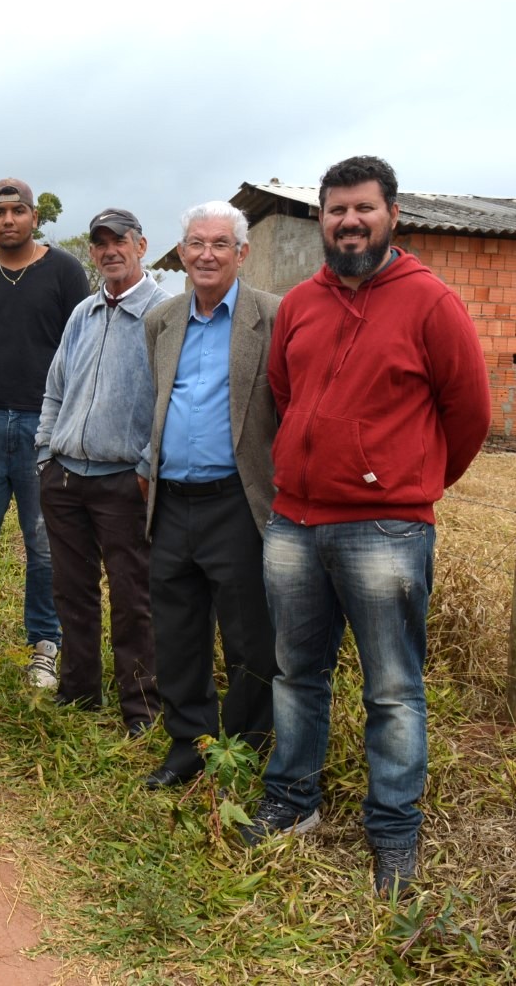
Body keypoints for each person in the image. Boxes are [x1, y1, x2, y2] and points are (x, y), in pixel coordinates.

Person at [241, 156, 490, 896]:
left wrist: (407, 487)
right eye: (335, 211)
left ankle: (392, 833)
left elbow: (468, 415)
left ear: (391, 216)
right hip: (293, 523)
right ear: (320, 219)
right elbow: (285, 394)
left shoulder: (429, 304)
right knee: (296, 675)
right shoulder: (300, 304)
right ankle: (292, 803)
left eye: (362, 210)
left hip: (383, 530)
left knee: (390, 690)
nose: (348, 222)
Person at [138, 202, 281, 789]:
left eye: (220, 244)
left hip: (237, 501)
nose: (206, 254)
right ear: (182, 252)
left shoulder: (272, 316)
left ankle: (245, 747)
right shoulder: (163, 321)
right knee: (176, 629)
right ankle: (189, 743)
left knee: (250, 634)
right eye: (196, 243)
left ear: (241, 254)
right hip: (171, 500)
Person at [0, 178, 90, 692]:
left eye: (19, 211)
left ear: (35, 217)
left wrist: (68, 428)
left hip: (43, 429)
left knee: (45, 545)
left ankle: (45, 647)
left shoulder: (66, 271)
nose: (9, 220)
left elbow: (85, 346)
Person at [36, 208, 165, 733]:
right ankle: (79, 691)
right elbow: (56, 386)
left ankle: (140, 708)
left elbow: (170, 397)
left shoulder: (164, 313)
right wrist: (45, 452)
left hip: (123, 480)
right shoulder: (84, 313)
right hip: (65, 475)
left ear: (141, 245)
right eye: (101, 243)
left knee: (133, 596)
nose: (110, 250)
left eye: (121, 241)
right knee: (72, 589)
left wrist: (146, 467)